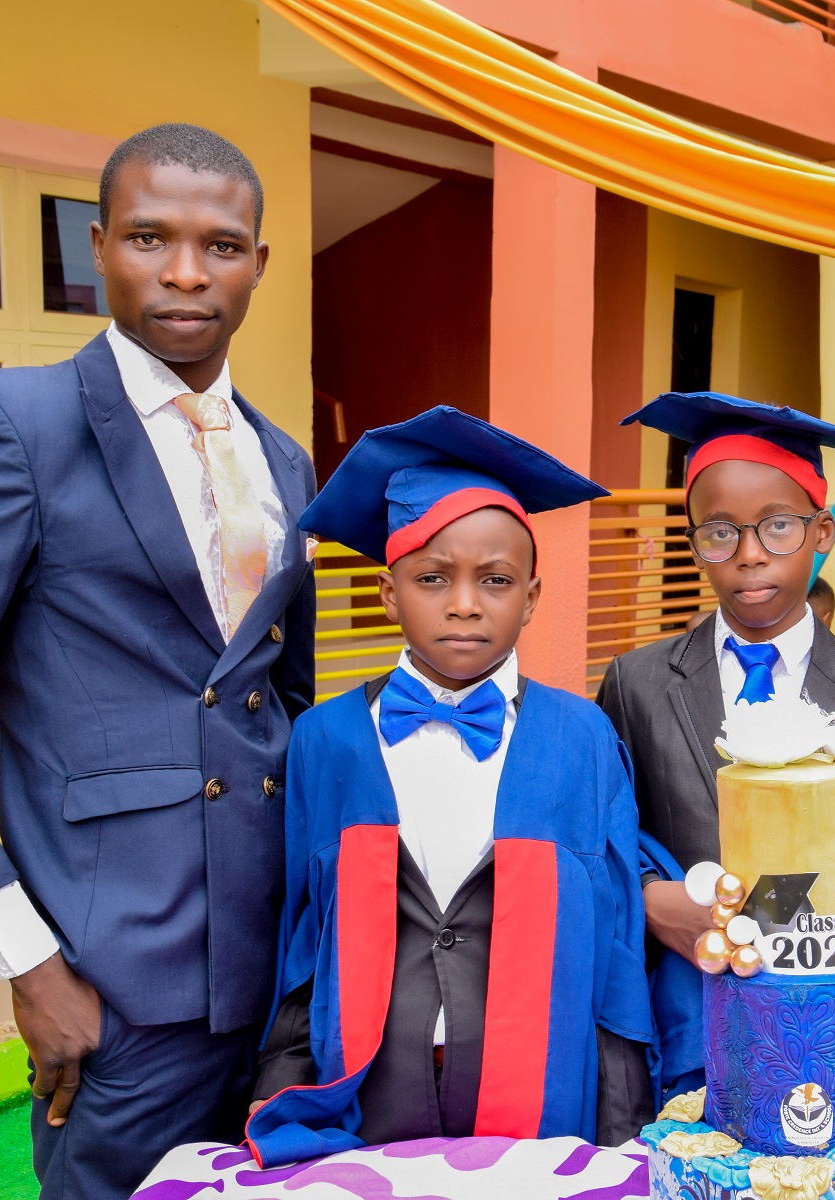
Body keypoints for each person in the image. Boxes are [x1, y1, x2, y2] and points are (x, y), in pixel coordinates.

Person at [0, 125, 315, 1199]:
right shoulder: (15, 424)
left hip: (281, 986)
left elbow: (280, 707)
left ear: (259, 263)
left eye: (222, 245)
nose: (187, 272)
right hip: (114, 996)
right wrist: (28, 964)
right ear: (98, 245)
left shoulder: (284, 458)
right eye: (151, 237)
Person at [246, 407, 654, 1165]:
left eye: (495, 580)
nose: (464, 602)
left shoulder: (582, 737)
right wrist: (283, 1083)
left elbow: (616, 940)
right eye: (432, 578)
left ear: (531, 598)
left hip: (545, 1092)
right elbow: (303, 933)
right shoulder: (326, 740)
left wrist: (623, 1129)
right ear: (387, 593)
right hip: (370, 1090)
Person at [596, 391, 835, 1098]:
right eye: (719, 533)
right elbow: (601, 837)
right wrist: (651, 899)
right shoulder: (637, 683)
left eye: (778, 526)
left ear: (823, 532)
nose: (749, 555)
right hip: (688, 1016)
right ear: (694, 544)